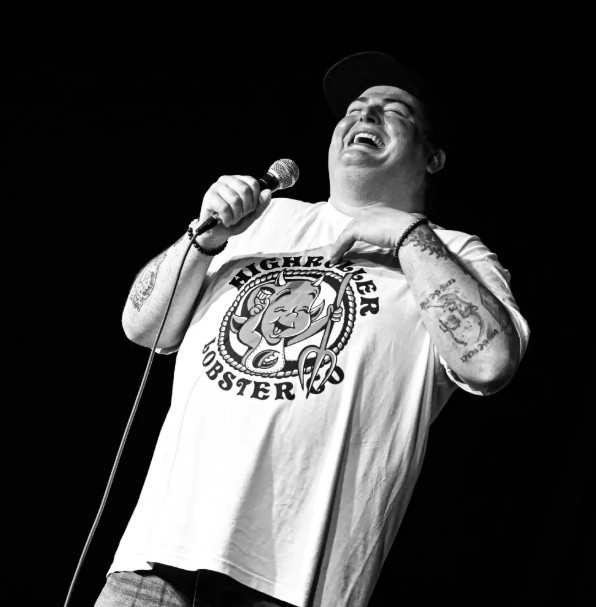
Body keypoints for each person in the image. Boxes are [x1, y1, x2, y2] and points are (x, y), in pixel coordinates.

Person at [95, 51, 530, 607]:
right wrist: (201, 239)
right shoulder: (261, 219)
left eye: (394, 110)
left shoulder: (449, 252)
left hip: (293, 588)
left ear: (433, 157)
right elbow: (142, 325)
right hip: (154, 566)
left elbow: (489, 364)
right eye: (354, 108)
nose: (364, 115)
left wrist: (406, 235)